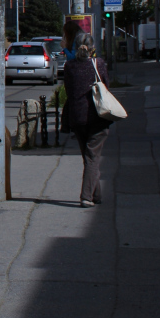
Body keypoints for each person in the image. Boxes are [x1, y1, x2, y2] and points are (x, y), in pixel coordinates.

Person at [63, 32, 112, 206]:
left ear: (75, 48)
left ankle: (96, 195)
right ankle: (86, 197)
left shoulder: (69, 66)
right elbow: (106, 85)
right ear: (93, 49)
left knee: (89, 157)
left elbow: (68, 90)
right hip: (97, 116)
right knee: (92, 157)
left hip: (77, 117)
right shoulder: (98, 64)